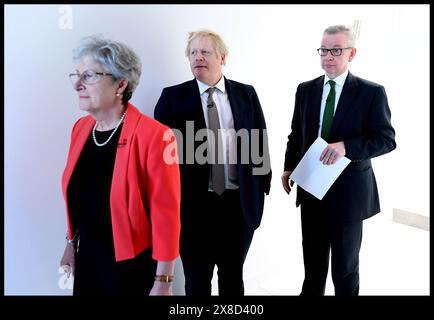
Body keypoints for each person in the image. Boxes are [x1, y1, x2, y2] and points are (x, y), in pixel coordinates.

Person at [59, 34, 181, 296]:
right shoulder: (80, 130)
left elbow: (166, 216)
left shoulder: (156, 135)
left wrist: (164, 281)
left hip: (130, 269)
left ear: (120, 84)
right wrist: (71, 244)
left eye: (89, 76)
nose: (77, 85)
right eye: (76, 75)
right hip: (87, 261)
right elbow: (82, 199)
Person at [154, 29, 271, 296]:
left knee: (232, 279)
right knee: (197, 281)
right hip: (194, 208)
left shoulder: (245, 94)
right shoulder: (172, 98)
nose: (198, 57)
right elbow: (160, 160)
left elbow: (259, 143)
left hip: (237, 206)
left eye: (205, 52)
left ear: (223, 57)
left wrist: (261, 189)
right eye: (193, 53)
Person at [282, 25, 396, 296]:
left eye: (336, 50)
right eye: (323, 50)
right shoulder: (305, 90)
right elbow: (296, 134)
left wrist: (347, 147)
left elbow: (386, 139)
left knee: (344, 272)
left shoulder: (371, 92)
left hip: (349, 197)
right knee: (313, 269)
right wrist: (289, 167)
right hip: (311, 192)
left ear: (351, 53)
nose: (328, 57)